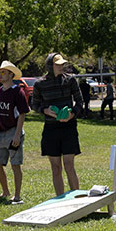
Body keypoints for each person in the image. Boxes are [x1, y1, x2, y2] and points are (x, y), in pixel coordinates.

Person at [31, 53, 84, 196]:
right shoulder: (39, 84)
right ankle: (60, 199)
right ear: (50, 66)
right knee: (55, 167)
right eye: (58, 64)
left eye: (62, 64)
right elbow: (34, 105)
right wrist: (45, 110)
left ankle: (77, 199)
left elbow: (80, 102)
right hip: (50, 129)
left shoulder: (70, 80)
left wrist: (72, 114)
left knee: (69, 165)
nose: (61, 67)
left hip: (69, 127)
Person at [0, 60, 28, 204]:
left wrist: (17, 135)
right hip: (1, 134)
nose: (0, 75)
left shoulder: (18, 92)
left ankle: (17, 195)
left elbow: (22, 114)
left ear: (11, 75)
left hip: (13, 133)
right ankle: (5, 191)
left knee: (15, 164)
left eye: (3, 72)